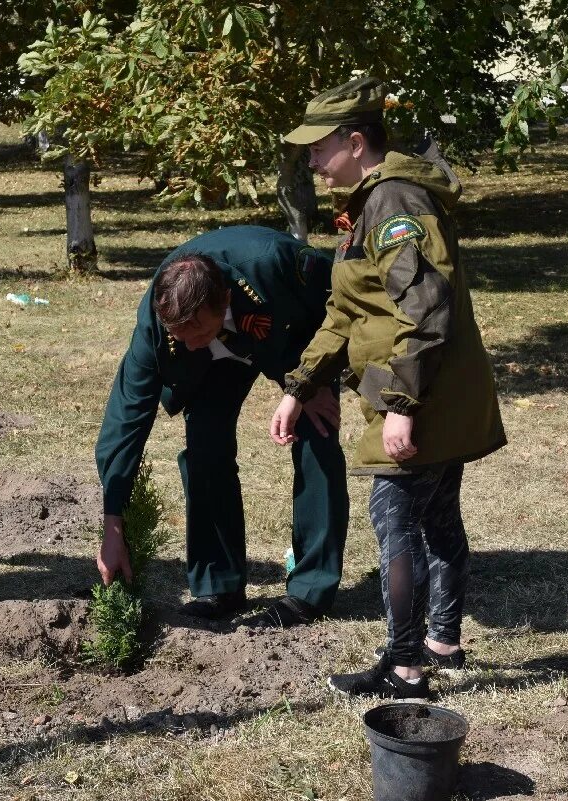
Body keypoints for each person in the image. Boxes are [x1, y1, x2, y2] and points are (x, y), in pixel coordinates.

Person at [270, 77, 506, 698]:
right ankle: (442, 640)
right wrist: (300, 385)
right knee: (436, 516)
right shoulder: (371, 202)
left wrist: (401, 407)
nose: (313, 162)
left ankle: (405, 668)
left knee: (395, 517)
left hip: (422, 392)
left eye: (319, 149)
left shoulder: (394, 203)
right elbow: (347, 310)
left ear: (355, 141)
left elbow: (427, 310)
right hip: (431, 388)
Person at [96, 226, 349, 628]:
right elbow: (126, 420)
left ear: (226, 300)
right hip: (214, 365)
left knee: (315, 438)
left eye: (197, 329)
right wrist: (113, 522)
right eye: (179, 333)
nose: (188, 340)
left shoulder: (275, 264)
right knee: (204, 449)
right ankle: (219, 583)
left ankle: (309, 593)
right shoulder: (160, 323)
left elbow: (338, 305)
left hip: (291, 339)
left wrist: (309, 379)